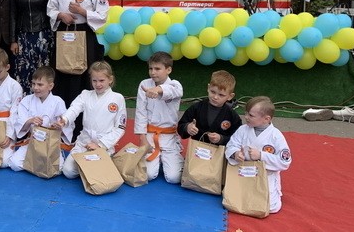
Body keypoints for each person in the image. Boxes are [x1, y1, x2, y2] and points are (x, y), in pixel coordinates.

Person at [46, 0, 108, 138]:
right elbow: (50, 8)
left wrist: (82, 12)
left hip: (84, 34)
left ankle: (81, 128)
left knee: (82, 79)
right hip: (64, 33)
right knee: (62, 76)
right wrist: (60, 15)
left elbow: (103, 15)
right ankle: (61, 124)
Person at [59, 61, 126, 179]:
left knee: (97, 173)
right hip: (84, 142)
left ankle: (98, 165)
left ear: (110, 80)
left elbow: (120, 128)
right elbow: (74, 108)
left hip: (103, 143)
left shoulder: (117, 98)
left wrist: (100, 145)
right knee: (68, 171)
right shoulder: (86, 95)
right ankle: (91, 169)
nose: (98, 84)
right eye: (94, 80)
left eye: (102, 80)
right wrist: (64, 119)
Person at [226, 96, 291, 213]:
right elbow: (231, 145)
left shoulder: (276, 136)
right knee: (232, 202)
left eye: (251, 115)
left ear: (266, 119)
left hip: (265, 177)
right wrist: (235, 153)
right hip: (242, 172)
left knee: (270, 207)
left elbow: (284, 162)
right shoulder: (242, 130)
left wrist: (261, 156)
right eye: (246, 113)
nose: (246, 117)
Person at [9, 0, 57, 93]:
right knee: (24, 74)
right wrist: (13, 40)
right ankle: (25, 104)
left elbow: (55, 9)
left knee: (43, 75)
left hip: (44, 35)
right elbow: (13, 13)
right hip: (23, 38)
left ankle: (45, 105)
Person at [134, 51, 184, 184]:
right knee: (148, 175)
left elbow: (176, 91)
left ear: (168, 70)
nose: (153, 72)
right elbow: (140, 112)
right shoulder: (144, 84)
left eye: (157, 69)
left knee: (174, 178)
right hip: (150, 135)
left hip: (169, 137)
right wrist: (142, 138)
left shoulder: (175, 85)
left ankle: (170, 159)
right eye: (150, 68)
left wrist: (158, 89)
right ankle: (157, 160)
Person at [8, 66, 69, 173]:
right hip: (32, 141)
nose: (35, 87)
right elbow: (20, 123)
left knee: (58, 168)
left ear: (50, 86)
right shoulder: (27, 100)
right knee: (14, 164)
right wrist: (30, 121)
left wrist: (59, 126)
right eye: (33, 84)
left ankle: (34, 165)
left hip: (50, 144)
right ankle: (38, 166)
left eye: (40, 84)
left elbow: (65, 124)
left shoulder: (58, 102)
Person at [177, 70, 242, 145]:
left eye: (221, 95)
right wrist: (187, 127)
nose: (215, 97)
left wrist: (221, 139)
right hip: (196, 148)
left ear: (230, 96)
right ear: (208, 88)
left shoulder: (232, 116)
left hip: (219, 150)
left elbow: (238, 137)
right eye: (213, 92)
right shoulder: (196, 108)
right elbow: (181, 125)